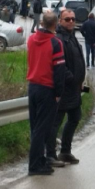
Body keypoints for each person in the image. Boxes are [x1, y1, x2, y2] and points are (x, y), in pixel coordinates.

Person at [25, 11, 66, 176]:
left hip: (33, 86)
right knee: (42, 129)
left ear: (41, 23)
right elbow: (59, 70)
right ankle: (35, 165)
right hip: (47, 88)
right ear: (55, 25)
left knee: (35, 127)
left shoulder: (31, 39)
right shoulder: (55, 43)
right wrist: (58, 92)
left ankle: (40, 160)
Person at [50, 9, 85, 165]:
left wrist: (80, 80)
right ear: (60, 21)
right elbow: (60, 65)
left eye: (73, 19)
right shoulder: (59, 39)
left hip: (75, 88)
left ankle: (65, 151)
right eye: (67, 19)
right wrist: (71, 79)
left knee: (75, 118)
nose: (71, 21)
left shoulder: (72, 37)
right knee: (55, 122)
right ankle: (50, 154)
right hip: (63, 88)